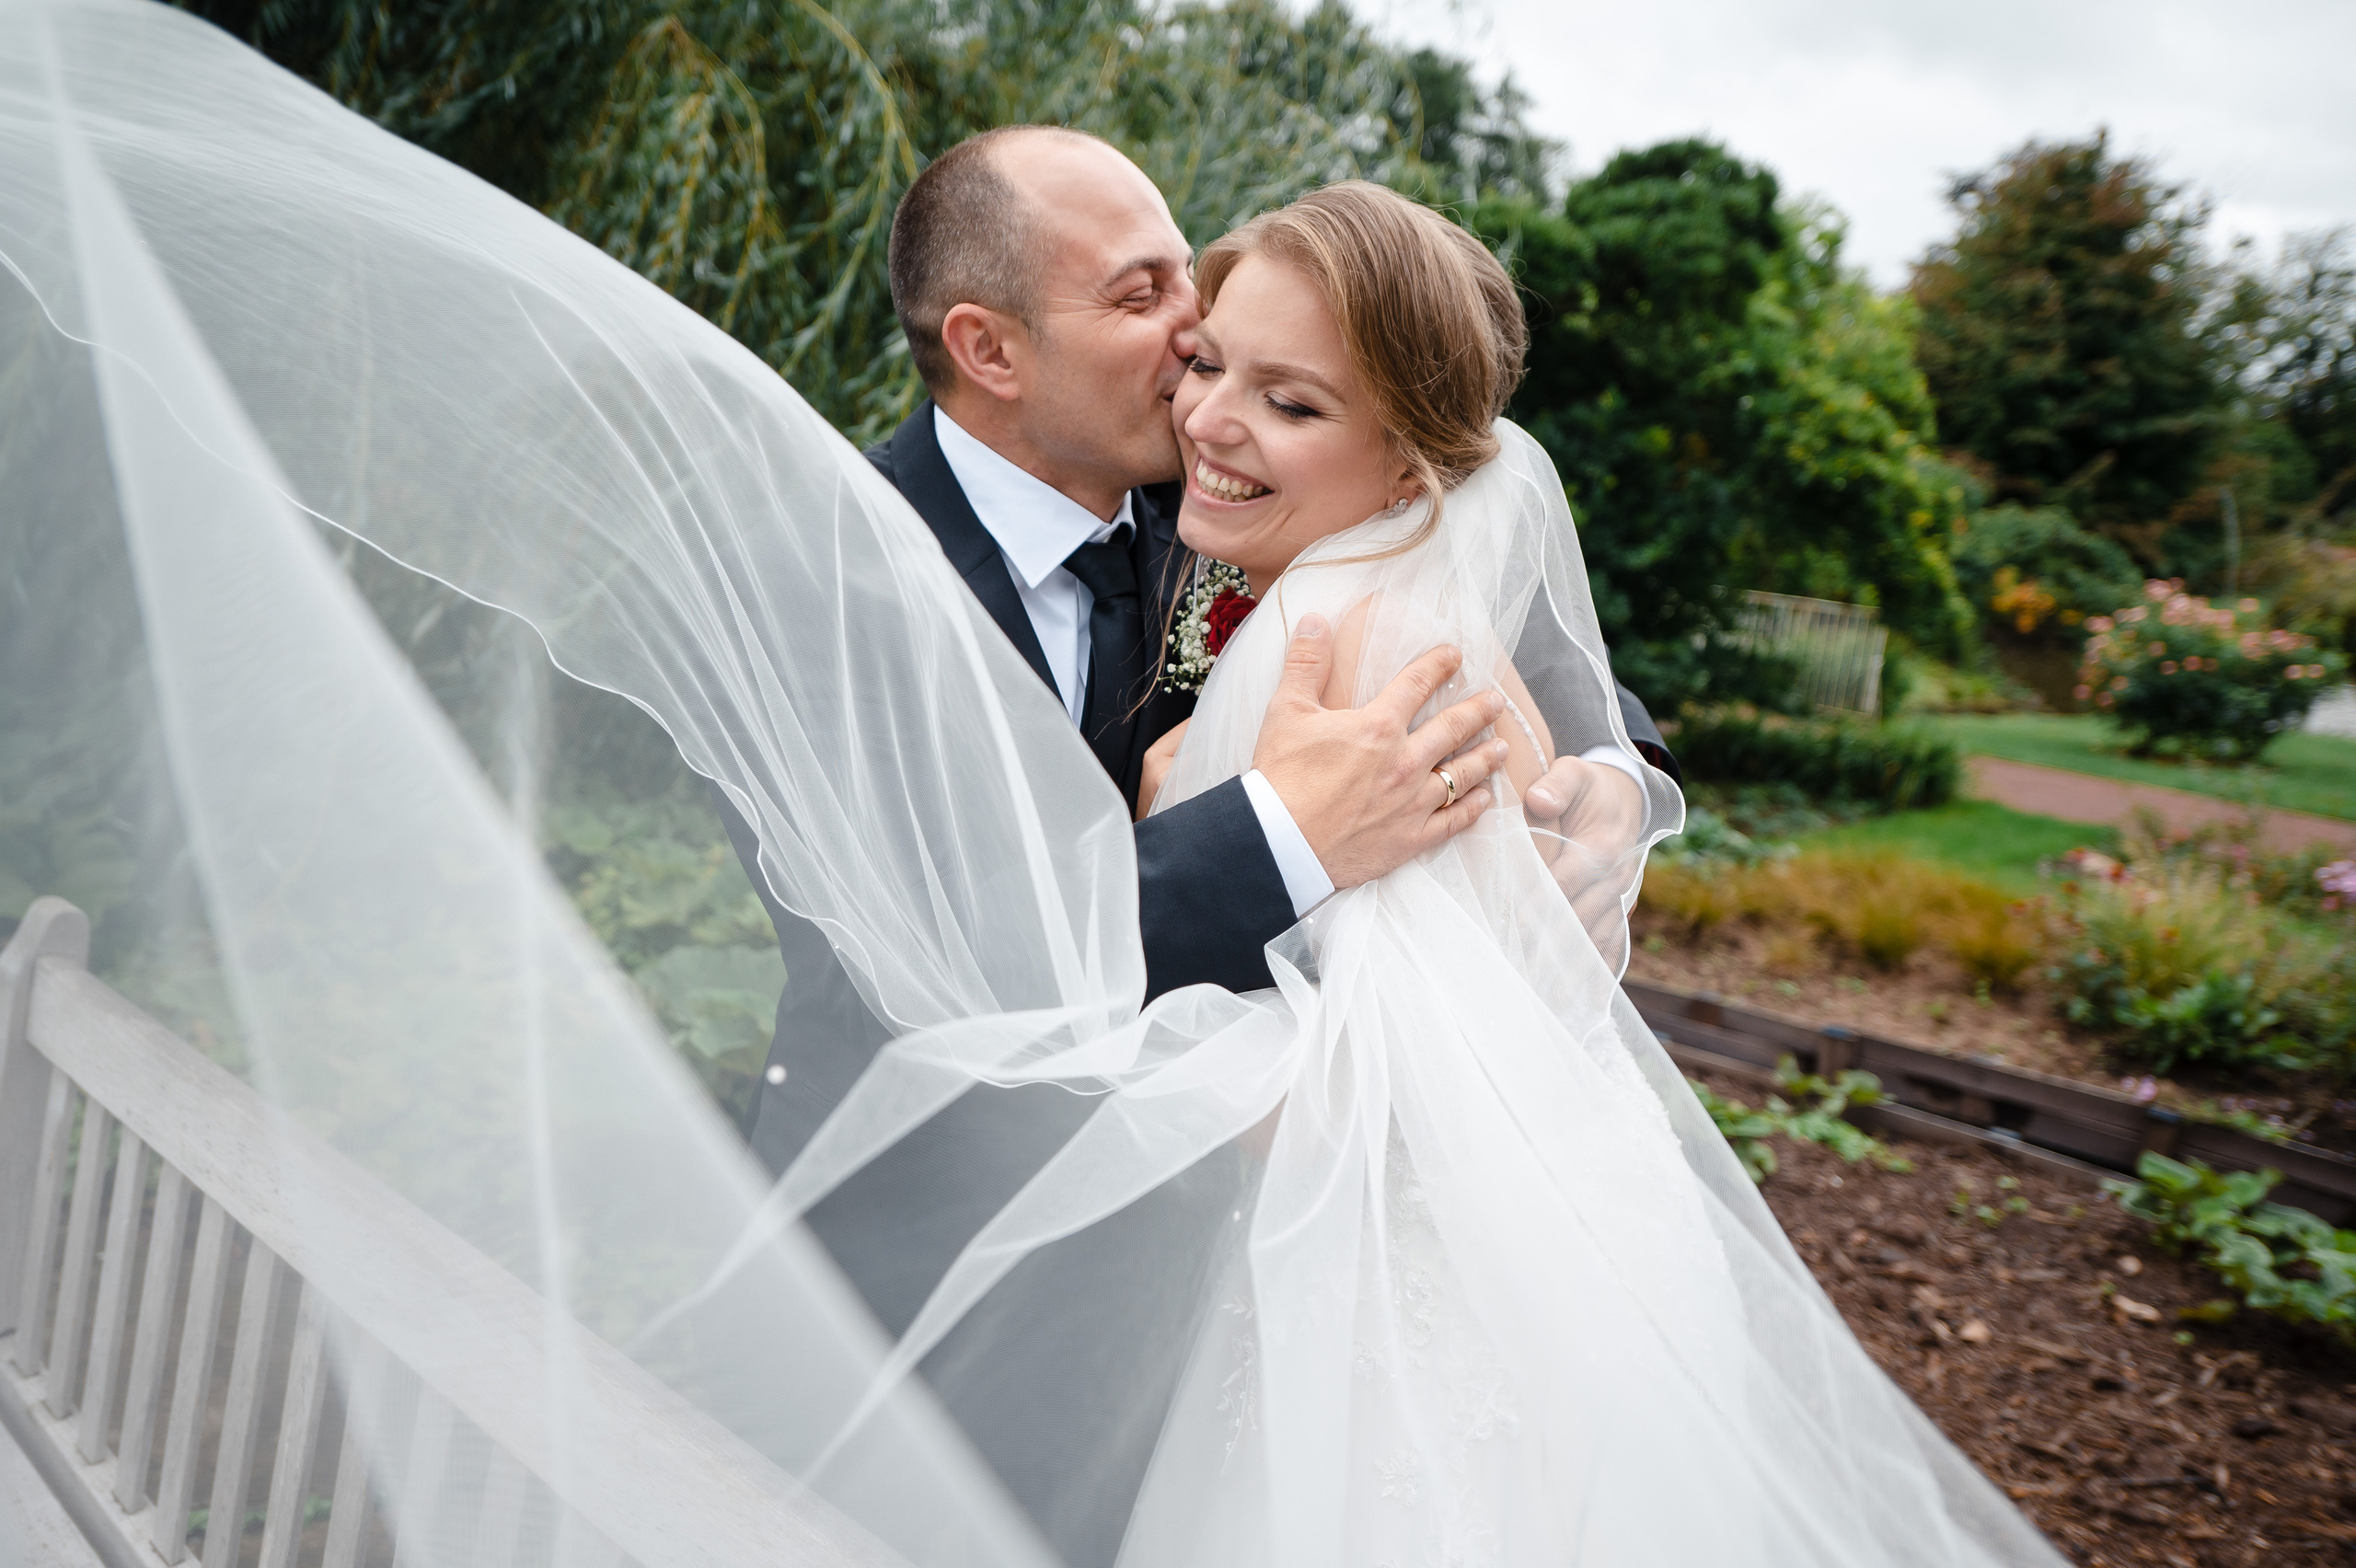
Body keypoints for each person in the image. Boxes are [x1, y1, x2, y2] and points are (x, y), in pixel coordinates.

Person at [727, 124, 1676, 1188]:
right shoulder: (816, 584)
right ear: (989, 350)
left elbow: (1473, 610)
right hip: (915, 1232)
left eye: (1189, 276)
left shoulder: (1230, 490)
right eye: (1142, 296)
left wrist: (1612, 781)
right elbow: (961, 952)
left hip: (1208, 1254)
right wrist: (1281, 827)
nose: (1193, 333)